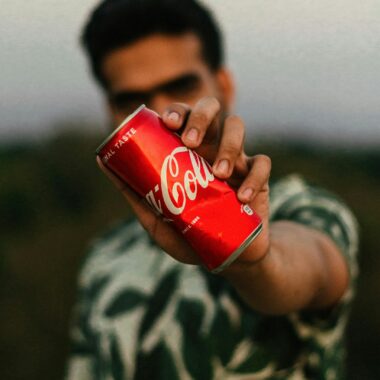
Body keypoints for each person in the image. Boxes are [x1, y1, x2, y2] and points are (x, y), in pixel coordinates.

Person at [65, 0, 359, 379]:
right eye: (132, 101)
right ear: (111, 112)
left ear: (223, 86)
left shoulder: (307, 208)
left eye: (181, 85)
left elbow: (308, 267)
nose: (161, 114)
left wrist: (249, 257)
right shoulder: (104, 255)